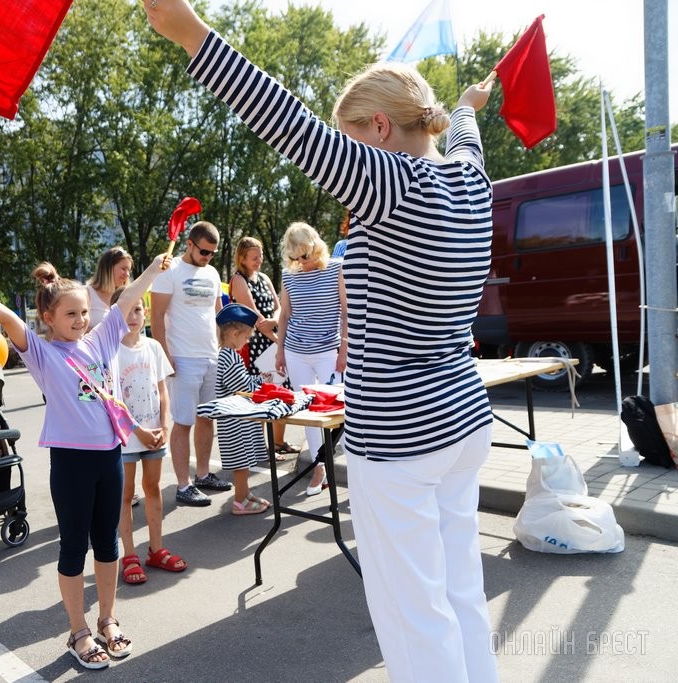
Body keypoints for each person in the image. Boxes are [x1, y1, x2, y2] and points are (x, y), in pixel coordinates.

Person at [144, 3, 496, 681]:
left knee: (414, 617)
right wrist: (467, 106)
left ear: (380, 128)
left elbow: (287, 123)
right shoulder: (469, 179)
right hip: (461, 416)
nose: (346, 157)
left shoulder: (394, 182)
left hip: (400, 433)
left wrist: (192, 34)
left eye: (352, 139)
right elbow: (464, 138)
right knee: (461, 594)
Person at [0, 250, 171, 670]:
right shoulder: (43, 354)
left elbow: (129, 294)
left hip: (110, 458)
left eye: (84, 312)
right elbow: (7, 318)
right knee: (74, 548)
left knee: (108, 544)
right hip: (71, 464)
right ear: (49, 318)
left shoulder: (101, 339)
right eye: (71, 314)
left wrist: (154, 267)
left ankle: (107, 620)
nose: (81, 320)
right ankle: (78, 631)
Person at [150, 220, 229, 507]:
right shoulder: (169, 271)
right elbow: (156, 317)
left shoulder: (212, 273)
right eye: (204, 251)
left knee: (207, 418)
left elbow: (219, 315)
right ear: (189, 244)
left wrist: (225, 345)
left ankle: (203, 475)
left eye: (212, 253)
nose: (208, 257)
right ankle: (183, 486)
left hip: (211, 355)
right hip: (182, 357)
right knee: (183, 422)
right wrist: (164, 355)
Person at [110, 289, 187, 583]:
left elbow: (162, 391)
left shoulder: (153, 347)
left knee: (153, 489)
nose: (133, 316)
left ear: (145, 314)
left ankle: (156, 549)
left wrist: (164, 427)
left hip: (155, 434)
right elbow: (113, 401)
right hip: (127, 437)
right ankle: (129, 555)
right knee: (126, 495)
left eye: (138, 310)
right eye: (126, 310)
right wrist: (137, 430)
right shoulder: (111, 351)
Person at [275, 222, 347, 496]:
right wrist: (280, 350)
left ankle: (354, 468)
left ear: (315, 246)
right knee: (308, 412)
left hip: (329, 349)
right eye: (295, 257)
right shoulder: (289, 274)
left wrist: (344, 349)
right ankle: (320, 468)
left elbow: (346, 311)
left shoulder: (336, 268)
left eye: (305, 255)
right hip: (296, 352)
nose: (301, 262)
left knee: (338, 410)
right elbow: (284, 315)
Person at [227, 235, 296, 458]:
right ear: (242, 259)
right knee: (263, 395)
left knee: (282, 391)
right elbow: (254, 316)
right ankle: (261, 447)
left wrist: (275, 322)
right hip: (255, 343)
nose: (259, 260)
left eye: (261, 256)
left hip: (274, 338)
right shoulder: (238, 280)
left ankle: (278, 441)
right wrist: (279, 341)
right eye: (254, 257)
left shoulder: (264, 277)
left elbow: (279, 306)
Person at [214, 303, 272, 515]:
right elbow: (241, 387)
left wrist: (258, 379)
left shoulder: (231, 355)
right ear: (234, 334)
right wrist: (260, 381)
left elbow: (242, 382)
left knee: (245, 460)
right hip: (234, 421)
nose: (247, 341)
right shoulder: (227, 356)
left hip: (239, 419)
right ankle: (239, 502)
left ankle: (245, 495)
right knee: (241, 463)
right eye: (246, 337)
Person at [87, 246, 133, 329]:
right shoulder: (86, 293)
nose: (127, 274)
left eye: (129, 270)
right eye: (123, 269)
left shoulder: (124, 297)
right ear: (108, 268)